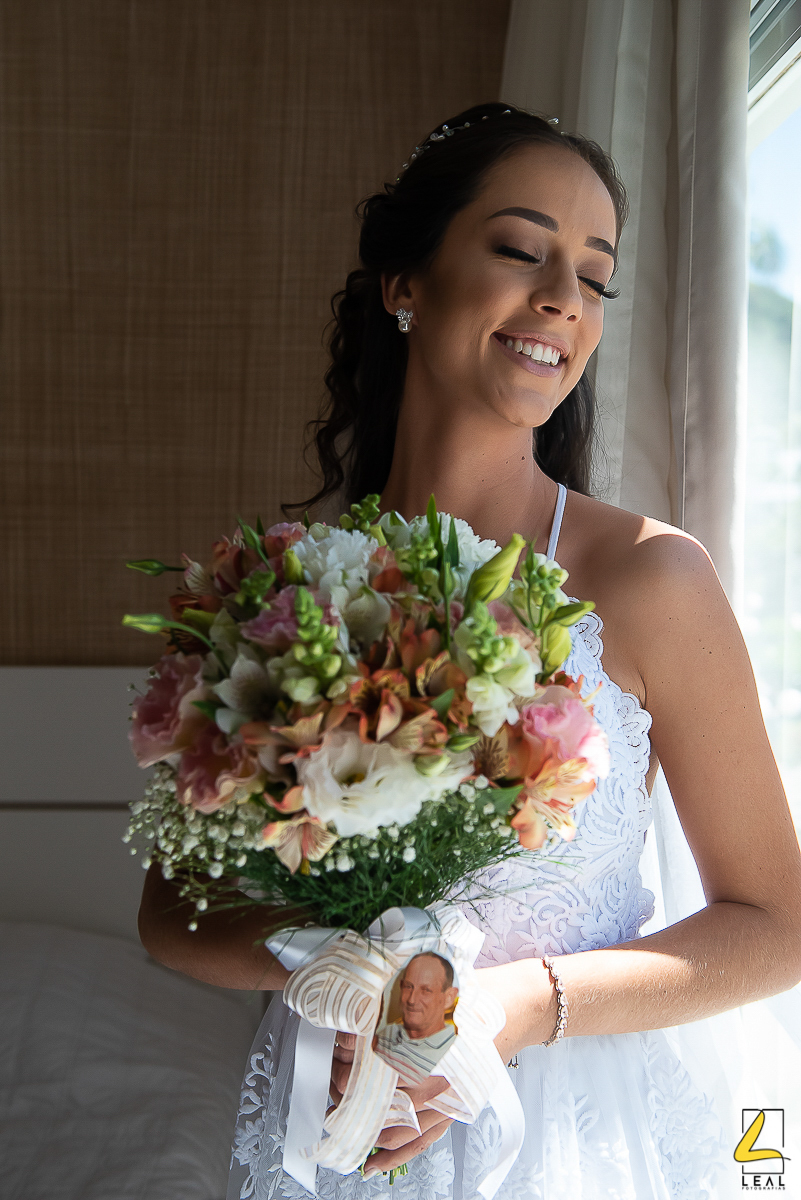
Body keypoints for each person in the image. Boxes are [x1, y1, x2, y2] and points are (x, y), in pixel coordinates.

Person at [138, 103, 801, 1199]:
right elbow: (173, 911)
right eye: (518, 248)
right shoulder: (281, 601)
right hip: (340, 1116)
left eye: (595, 276)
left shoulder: (648, 577)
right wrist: (346, 983)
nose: (563, 300)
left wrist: (507, 1010)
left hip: (576, 1135)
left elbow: (778, 926)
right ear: (405, 281)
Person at [374, 953, 459, 1087]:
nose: (411, 1000)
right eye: (408, 986)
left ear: (449, 997)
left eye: (426, 990)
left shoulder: (454, 1055)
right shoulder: (389, 1032)